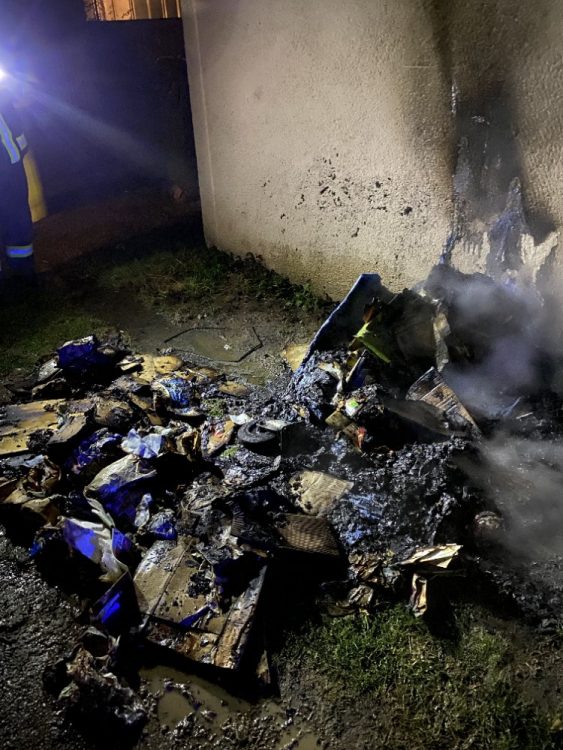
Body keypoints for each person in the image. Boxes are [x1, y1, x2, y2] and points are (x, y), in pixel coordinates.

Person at [0, 88, 36, 282]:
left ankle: (24, 271)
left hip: (10, 163)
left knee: (17, 217)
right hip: (10, 161)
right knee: (16, 216)